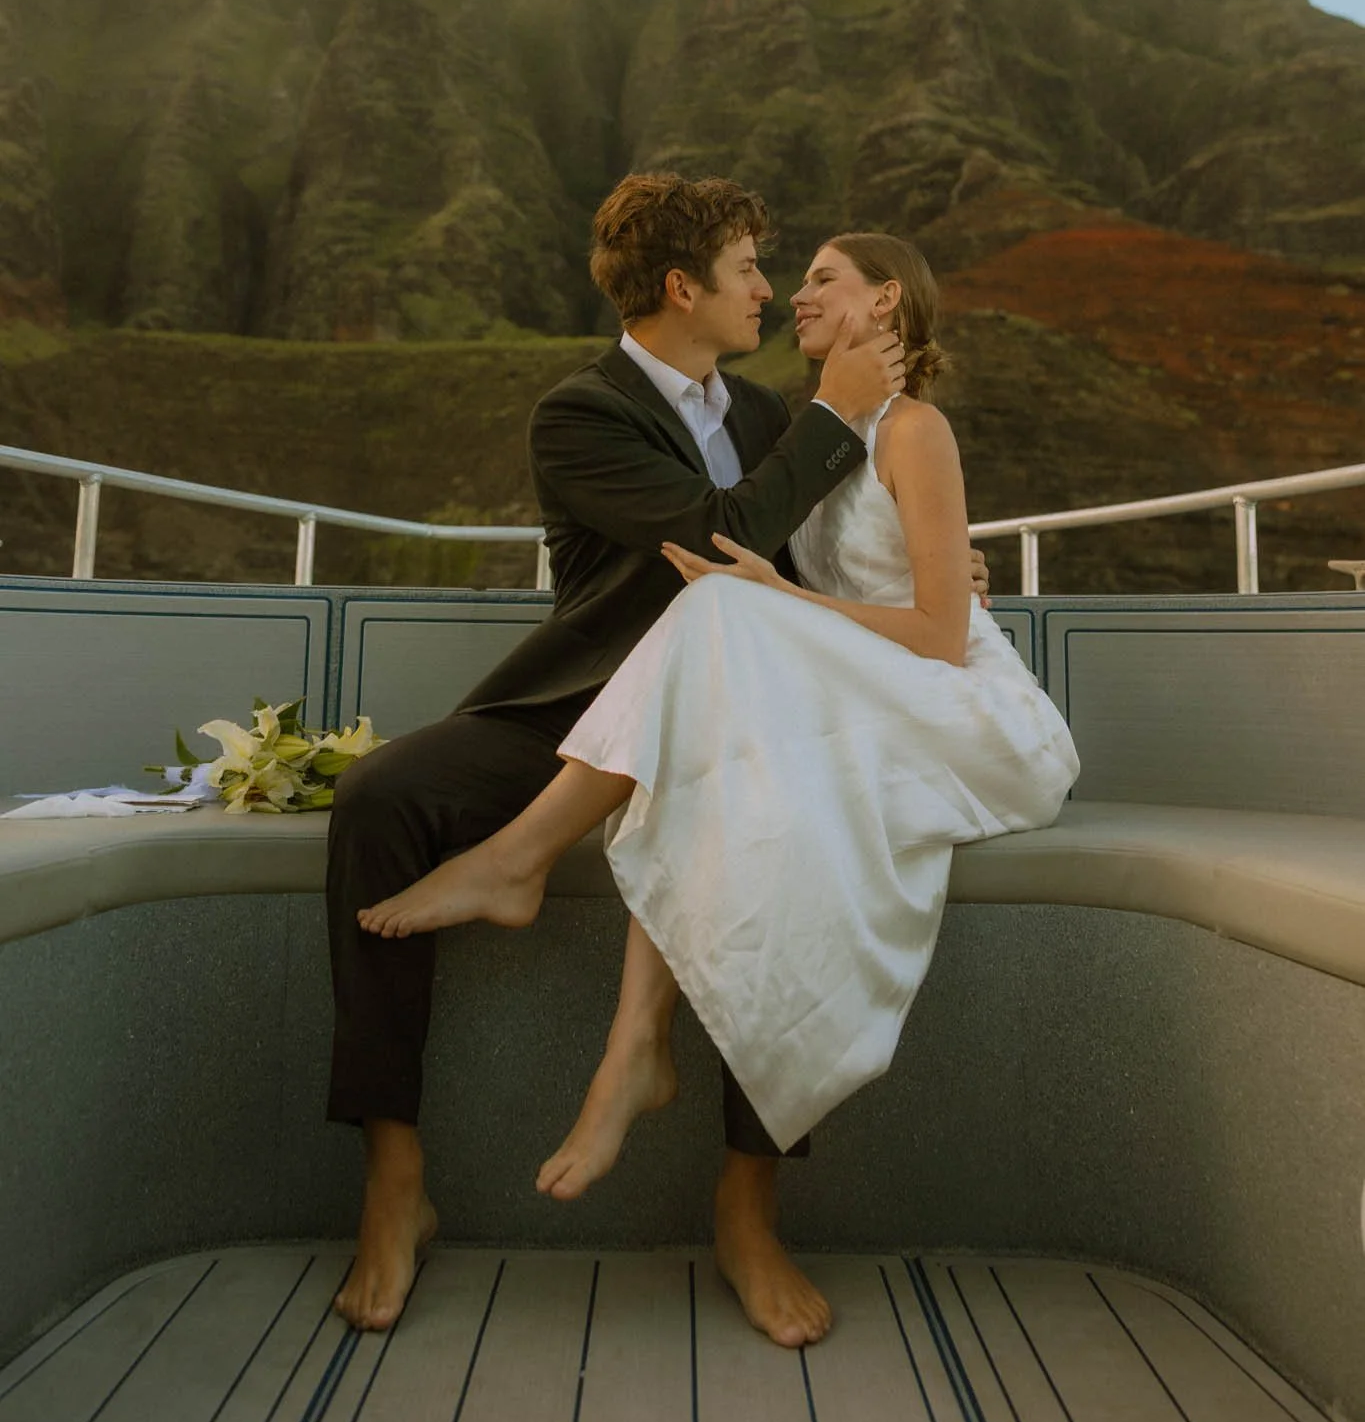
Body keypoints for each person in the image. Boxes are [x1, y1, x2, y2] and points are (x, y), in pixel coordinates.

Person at [358, 229, 1080, 1346]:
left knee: (748, 706)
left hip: (948, 703)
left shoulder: (881, 426)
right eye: (762, 270)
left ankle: (540, 890)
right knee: (721, 747)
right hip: (669, 687)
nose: (784, 289)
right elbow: (753, 545)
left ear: (884, 299)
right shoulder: (621, 413)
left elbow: (931, 627)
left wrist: (896, 575)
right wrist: (801, 555)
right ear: (683, 285)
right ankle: (592, 1047)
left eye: (816, 278)